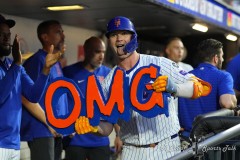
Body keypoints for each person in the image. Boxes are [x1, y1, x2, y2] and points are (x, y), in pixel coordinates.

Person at [74, 16, 212, 160]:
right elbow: (107, 127)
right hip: (131, 151)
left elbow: (201, 87)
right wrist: (94, 127)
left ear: (133, 37)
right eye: (114, 35)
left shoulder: (159, 63)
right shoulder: (108, 82)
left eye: (124, 33)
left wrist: (174, 87)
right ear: (109, 41)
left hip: (167, 147)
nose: (119, 38)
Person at [0, 14, 62, 160]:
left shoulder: (12, 65)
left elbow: (33, 95)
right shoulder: (14, 65)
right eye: (1, 35)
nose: (6, 38)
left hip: (13, 143)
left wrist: (45, 70)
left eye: (8, 34)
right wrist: (16, 63)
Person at [20, 20, 68, 160]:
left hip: (57, 130)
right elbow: (26, 97)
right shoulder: (37, 61)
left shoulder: (56, 62)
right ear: (45, 37)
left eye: (62, 31)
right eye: (58, 32)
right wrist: (49, 122)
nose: (63, 35)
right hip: (42, 130)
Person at [178, 39, 237, 149]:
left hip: (184, 141)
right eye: (222, 56)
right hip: (210, 142)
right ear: (215, 58)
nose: (223, 59)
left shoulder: (183, 77)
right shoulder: (223, 76)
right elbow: (227, 103)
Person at [63, 36, 111, 160]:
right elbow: (59, 104)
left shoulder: (109, 74)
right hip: (76, 141)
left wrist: (118, 135)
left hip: (100, 141)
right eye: (97, 51)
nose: (101, 56)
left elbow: (114, 107)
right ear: (87, 51)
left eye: (103, 52)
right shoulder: (68, 73)